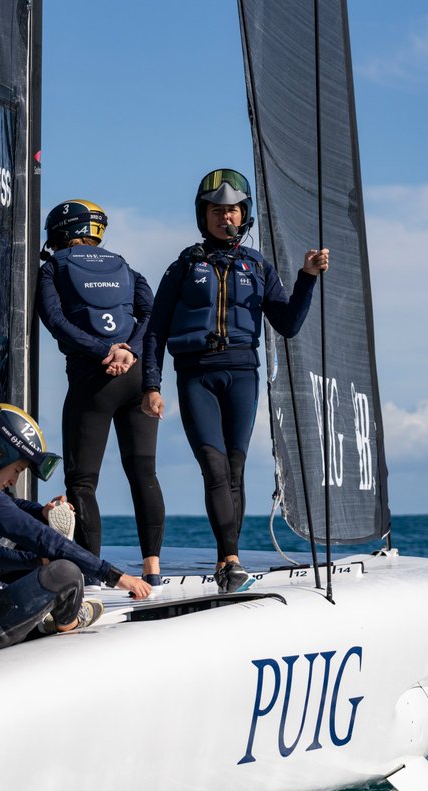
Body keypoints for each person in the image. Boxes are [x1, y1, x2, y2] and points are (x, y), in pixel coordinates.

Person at [141, 169, 329, 593]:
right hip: (196, 375)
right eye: (216, 211)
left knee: (236, 470)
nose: (224, 217)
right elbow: (155, 331)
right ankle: (228, 558)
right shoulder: (184, 266)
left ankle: (231, 561)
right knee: (214, 467)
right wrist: (150, 386)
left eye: (232, 210)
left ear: (244, 215)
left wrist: (307, 277)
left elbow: (288, 324)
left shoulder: (258, 266)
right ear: (202, 216)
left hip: (242, 374)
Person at [0, 403, 152, 663]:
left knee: (26, 564)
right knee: (66, 571)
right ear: (0, 453)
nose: (14, 481)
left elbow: (4, 517)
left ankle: (43, 623)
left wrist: (41, 514)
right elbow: (40, 537)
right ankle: (70, 621)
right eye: (18, 470)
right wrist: (115, 576)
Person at [36, 199, 166, 584]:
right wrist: (129, 350)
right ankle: (153, 571)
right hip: (136, 375)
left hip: (93, 379)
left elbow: (55, 320)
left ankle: (91, 576)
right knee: (144, 472)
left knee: (81, 482)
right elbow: (151, 316)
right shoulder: (126, 267)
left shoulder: (52, 268)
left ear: (59, 233)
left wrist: (102, 350)